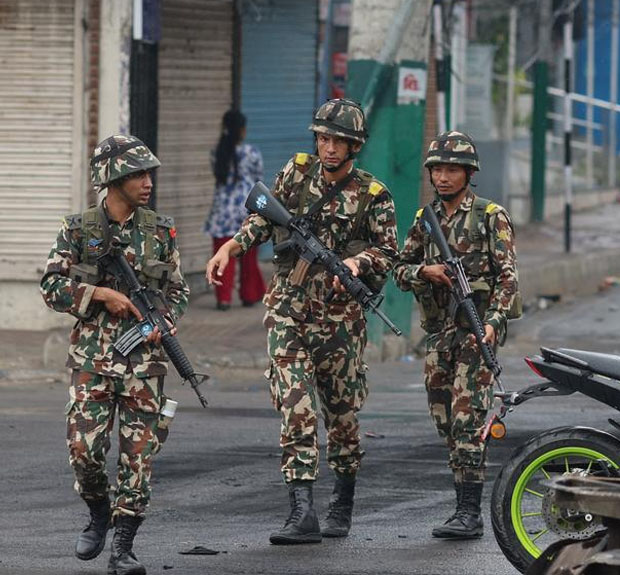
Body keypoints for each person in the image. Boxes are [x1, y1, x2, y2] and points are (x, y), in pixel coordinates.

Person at [205, 99, 398, 544]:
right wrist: (231, 249)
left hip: (340, 321)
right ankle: (301, 511)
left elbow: (388, 253)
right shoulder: (295, 173)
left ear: (355, 146)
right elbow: (261, 218)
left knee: (342, 415)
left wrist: (356, 263)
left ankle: (342, 502)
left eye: (339, 141)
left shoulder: (374, 195)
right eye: (324, 139)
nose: (329, 148)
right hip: (288, 308)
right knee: (296, 407)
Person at [40, 134, 189, 575]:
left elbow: (179, 288)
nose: (147, 182)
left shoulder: (160, 230)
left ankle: (123, 547)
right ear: (111, 179)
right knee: (84, 452)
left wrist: (164, 318)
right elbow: (51, 286)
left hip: (144, 363)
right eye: (137, 174)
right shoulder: (78, 230)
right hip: (92, 361)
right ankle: (98, 511)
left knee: (138, 457)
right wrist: (100, 294)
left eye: (148, 174)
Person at [393, 131, 520, 539]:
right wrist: (424, 272)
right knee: (444, 418)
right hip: (439, 335)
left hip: (475, 333)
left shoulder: (489, 216)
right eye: (438, 170)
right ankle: (462, 502)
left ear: (469, 173)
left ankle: (469, 512)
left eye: (452, 170)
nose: (444, 177)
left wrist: (493, 324)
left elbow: (508, 280)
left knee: (468, 419)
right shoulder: (424, 220)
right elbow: (397, 268)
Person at [204, 109, 266, 310]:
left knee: (222, 256)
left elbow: (217, 175)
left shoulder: (217, 152)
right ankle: (249, 295)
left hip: (221, 213)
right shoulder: (252, 152)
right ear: (242, 130)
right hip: (246, 210)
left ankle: (223, 298)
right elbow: (259, 178)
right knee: (248, 257)